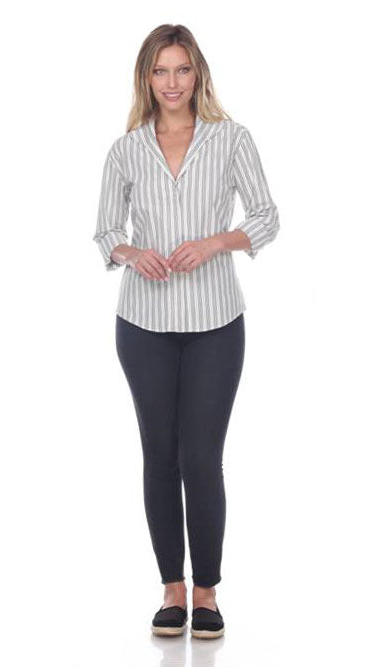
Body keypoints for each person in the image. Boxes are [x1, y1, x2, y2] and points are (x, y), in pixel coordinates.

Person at [93, 24, 280, 639]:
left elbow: (266, 216)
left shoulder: (231, 139)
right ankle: (172, 589)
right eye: (160, 71)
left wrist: (217, 242)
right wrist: (129, 252)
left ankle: (207, 592)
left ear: (197, 73)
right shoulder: (126, 150)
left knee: (201, 458)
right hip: (143, 324)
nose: (171, 83)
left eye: (181, 69)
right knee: (159, 454)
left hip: (214, 323)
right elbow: (105, 231)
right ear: (146, 79)